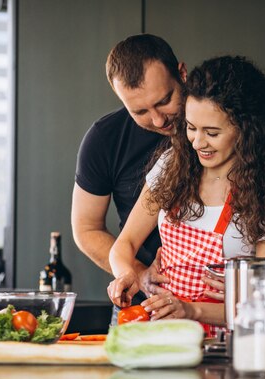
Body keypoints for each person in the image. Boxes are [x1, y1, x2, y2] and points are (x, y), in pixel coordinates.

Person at [108, 56, 265, 335]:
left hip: (229, 348)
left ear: (247, 130)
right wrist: (127, 274)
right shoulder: (172, 165)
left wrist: (190, 309)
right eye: (191, 128)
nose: (197, 142)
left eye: (212, 132)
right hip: (169, 339)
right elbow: (124, 245)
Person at [71, 34, 187, 321]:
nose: (159, 120)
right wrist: (137, 274)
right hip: (141, 306)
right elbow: (86, 229)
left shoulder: (217, 125)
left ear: (182, 75)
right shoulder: (105, 139)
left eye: (165, 101)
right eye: (140, 112)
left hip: (213, 305)